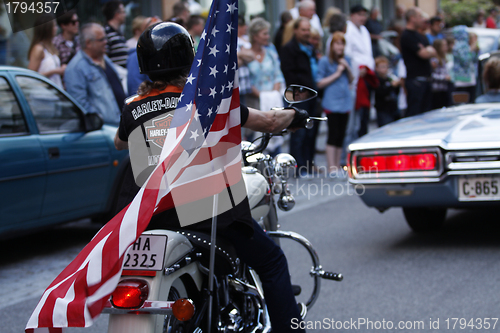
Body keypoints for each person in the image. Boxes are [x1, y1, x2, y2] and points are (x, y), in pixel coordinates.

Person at [113, 21, 308, 333]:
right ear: (192, 59)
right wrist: (295, 115)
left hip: (149, 215)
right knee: (272, 262)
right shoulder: (207, 100)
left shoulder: (133, 107)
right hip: (202, 211)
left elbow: (120, 142)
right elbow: (270, 122)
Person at [280, 17, 320, 177]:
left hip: (312, 93)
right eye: (303, 30)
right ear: (295, 30)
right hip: (299, 94)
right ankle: (299, 166)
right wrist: (298, 90)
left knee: (312, 131)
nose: (306, 33)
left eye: (308, 29)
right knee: (300, 132)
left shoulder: (310, 47)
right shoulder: (289, 48)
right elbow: (288, 72)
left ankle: (309, 164)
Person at [65, 23, 125, 125]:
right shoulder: (76, 68)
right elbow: (80, 104)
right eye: (101, 40)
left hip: (122, 124)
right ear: (88, 43)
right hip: (107, 129)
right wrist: (99, 122)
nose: (106, 42)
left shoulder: (104, 58)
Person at [316, 32, 353, 178]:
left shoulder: (346, 60)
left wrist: (347, 67)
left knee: (341, 135)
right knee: (333, 134)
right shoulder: (325, 61)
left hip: (345, 102)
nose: (340, 46)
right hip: (332, 102)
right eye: (337, 43)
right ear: (331, 46)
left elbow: (351, 79)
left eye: (342, 43)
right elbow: (319, 82)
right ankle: (331, 167)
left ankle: (338, 166)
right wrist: (337, 73)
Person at [344, 4, 375, 138]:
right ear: (352, 15)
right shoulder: (348, 30)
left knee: (364, 114)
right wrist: (358, 68)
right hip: (357, 75)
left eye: (364, 15)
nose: (363, 18)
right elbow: (349, 54)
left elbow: (368, 53)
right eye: (360, 15)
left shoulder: (364, 30)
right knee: (356, 114)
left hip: (367, 75)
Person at [400, 7, 436, 117]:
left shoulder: (420, 36)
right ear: (412, 18)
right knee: (415, 114)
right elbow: (424, 54)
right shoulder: (407, 35)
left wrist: (427, 50)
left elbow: (433, 51)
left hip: (426, 80)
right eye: (420, 17)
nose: (422, 20)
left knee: (427, 113)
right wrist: (427, 51)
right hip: (416, 81)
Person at [28, 14, 66, 88]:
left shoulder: (51, 46)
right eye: (54, 26)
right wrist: (55, 71)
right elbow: (30, 75)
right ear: (47, 29)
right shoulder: (38, 49)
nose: (56, 28)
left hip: (54, 92)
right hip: (42, 94)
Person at [452, 26, 479, 103]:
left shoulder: (465, 45)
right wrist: (471, 49)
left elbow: (473, 60)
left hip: (470, 78)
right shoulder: (459, 45)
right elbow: (465, 60)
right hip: (462, 79)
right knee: (463, 102)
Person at [373, 56, 400, 127]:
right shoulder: (376, 80)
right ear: (376, 68)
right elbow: (380, 92)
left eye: (385, 66)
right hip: (383, 109)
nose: (384, 69)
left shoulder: (390, 78)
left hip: (393, 107)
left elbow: (396, 92)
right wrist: (391, 86)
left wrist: (397, 85)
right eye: (382, 67)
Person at [102, 0, 128, 68]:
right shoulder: (105, 33)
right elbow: (104, 59)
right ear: (117, 14)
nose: (125, 15)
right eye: (123, 12)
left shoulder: (119, 33)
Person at [431, 39, 451, 109]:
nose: (446, 47)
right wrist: (444, 77)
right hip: (436, 89)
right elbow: (432, 75)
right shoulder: (434, 60)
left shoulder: (444, 59)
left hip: (444, 88)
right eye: (444, 45)